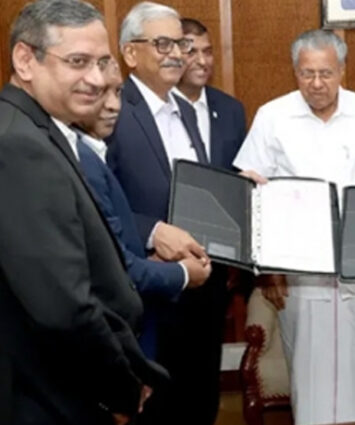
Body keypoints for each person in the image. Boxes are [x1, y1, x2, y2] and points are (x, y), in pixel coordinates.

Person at [0, 1, 167, 423]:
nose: (96, 79)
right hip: (46, 395)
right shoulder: (18, 146)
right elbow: (64, 307)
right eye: (77, 62)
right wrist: (120, 390)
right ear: (25, 60)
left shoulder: (38, 128)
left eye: (102, 62)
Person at [234, 29, 355, 425]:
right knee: (309, 373)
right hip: (298, 269)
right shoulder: (273, 116)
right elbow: (251, 193)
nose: (316, 83)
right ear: (295, 71)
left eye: (325, 73)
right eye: (306, 73)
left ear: (342, 70)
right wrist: (269, 271)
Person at [105, 2, 226, 424]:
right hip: (148, 290)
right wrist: (153, 232)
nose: (177, 53)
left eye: (181, 44)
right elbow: (95, 200)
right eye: (163, 44)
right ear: (130, 52)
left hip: (201, 286)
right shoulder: (111, 110)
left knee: (200, 403)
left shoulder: (187, 110)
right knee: (157, 411)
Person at [74, 62, 213, 359]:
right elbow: (116, 268)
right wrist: (181, 273)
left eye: (117, 92)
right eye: (99, 93)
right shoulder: (83, 162)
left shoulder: (92, 153)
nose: (113, 105)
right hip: (114, 324)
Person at [173, 18, 247, 170]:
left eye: (207, 52)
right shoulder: (160, 107)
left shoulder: (231, 110)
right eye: (191, 52)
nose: (202, 61)